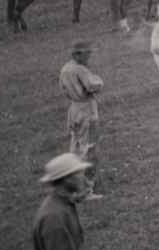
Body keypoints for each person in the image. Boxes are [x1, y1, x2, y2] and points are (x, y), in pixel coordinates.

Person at [59, 41, 104, 198]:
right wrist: (98, 81)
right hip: (86, 110)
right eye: (86, 53)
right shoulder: (80, 70)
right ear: (77, 54)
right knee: (90, 150)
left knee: (75, 149)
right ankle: (85, 190)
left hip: (73, 109)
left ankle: (72, 184)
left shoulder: (66, 68)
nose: (88, 57)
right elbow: (93, 85)